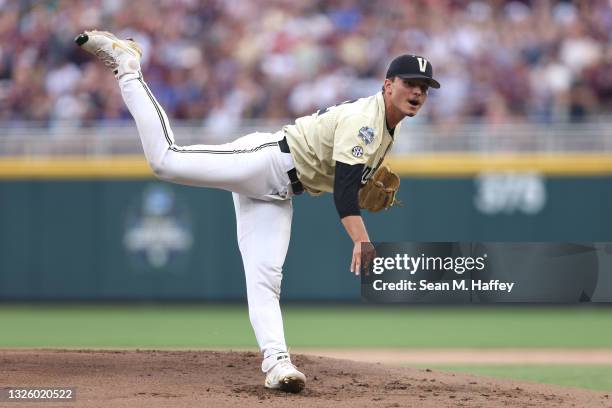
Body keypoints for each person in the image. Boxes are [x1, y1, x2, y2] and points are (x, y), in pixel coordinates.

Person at [75, 30, 440, 393]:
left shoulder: (387, 129)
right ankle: (128, 66)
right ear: (388, 84)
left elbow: (344, 181)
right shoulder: (367, 121)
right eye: (411, 83)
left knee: (266, 279)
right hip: (266, 160)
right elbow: (344, 193)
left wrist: (361, 186)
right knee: (165, 160)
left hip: (279, 191)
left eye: (425, 87)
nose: (418, 93)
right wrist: (362, 239)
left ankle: (278, 364)